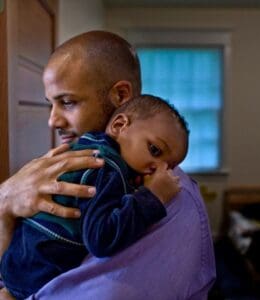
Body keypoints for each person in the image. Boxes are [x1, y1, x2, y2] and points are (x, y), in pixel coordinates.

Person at [0, 30, 215, 300]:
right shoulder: (69, 164)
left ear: (121, 96)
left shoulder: (168, 197)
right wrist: (5, 203)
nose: (53, 121)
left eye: (67, 102)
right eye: (51, 104)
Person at [0, 95, 189, 299]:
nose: (158, 169)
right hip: (33, 278)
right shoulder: (105, 169)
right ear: (119, 125)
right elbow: (102, 239)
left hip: (17, 264)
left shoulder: (90, 145)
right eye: (154, 150)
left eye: (169, 167)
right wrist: (153, 196)